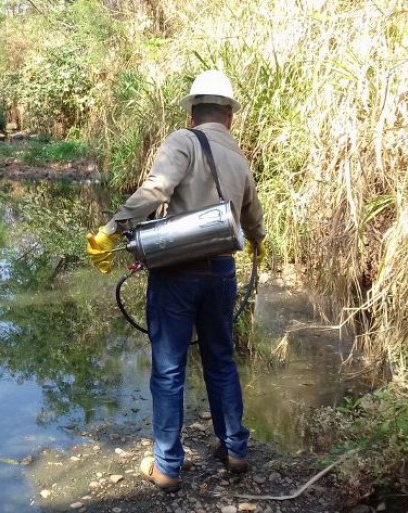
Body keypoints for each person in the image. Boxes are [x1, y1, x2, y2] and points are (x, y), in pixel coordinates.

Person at [86, 70, 267, 493]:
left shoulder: (183, 141)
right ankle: (235, 448)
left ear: (192, 112)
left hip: (178, 272)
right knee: (221, 359)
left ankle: (167, 466)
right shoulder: (239, 158)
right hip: (222, 271)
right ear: (230, 117)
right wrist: (259, 243)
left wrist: (111, 230)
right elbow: (253, 219)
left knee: (169, 368)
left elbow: (156, 190)